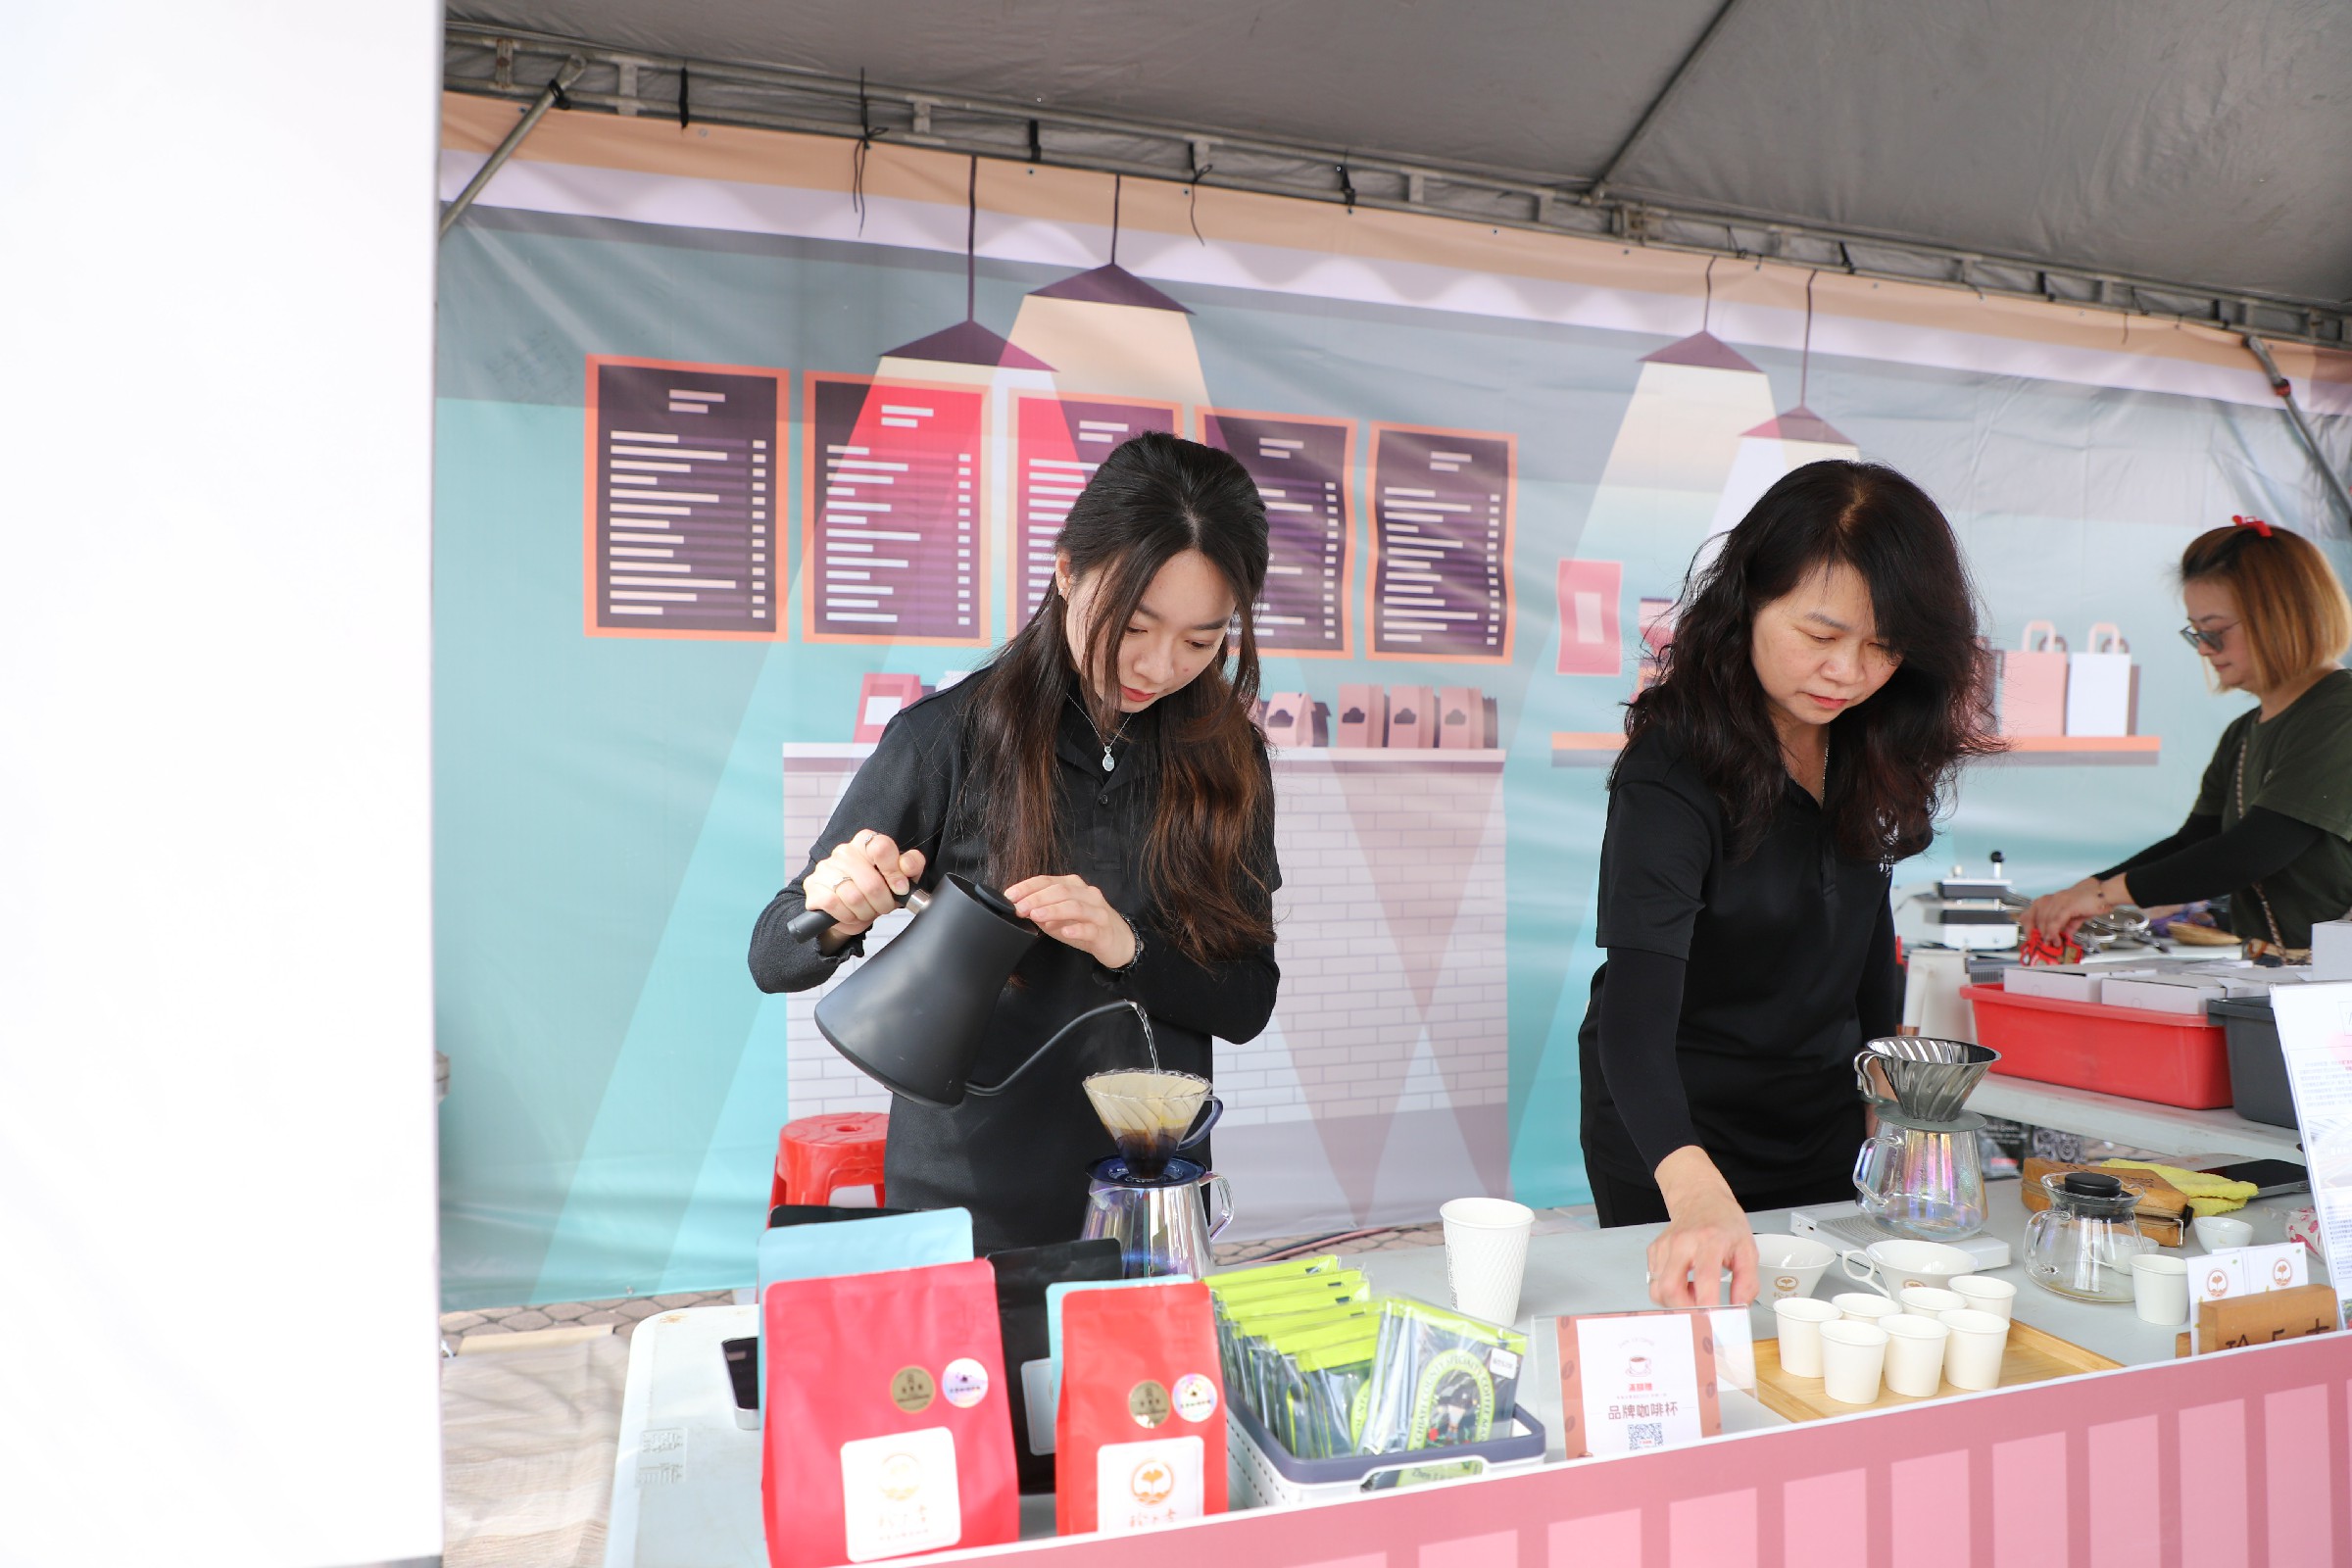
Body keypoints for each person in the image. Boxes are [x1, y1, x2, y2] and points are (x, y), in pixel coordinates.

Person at [748, 432, 1281, 1252]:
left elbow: (1247, 1003)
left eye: (1200, 642)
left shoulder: (1228, 760)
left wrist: (1128, 947)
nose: (1157, 665)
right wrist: (838, 911)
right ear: (1067, 571)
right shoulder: (948, 738)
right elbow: (773, 956)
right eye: (1133, 625)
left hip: (1150, 1199)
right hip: (968, 1200)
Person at [1579, 461, 1999, 1307]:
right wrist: (1692, 1188)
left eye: (1882, 646)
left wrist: (1884, 1097)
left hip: (1819, 1123)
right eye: (1820, 635)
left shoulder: (1865, 743)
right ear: (1749, 603)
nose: (1848, 671)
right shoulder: (1673, 769)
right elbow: (1633, 1014)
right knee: (1713, 1348)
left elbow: (1865, 942)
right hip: (1680, 1135)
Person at [2025, 516, 2352, 956]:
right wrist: (2088, 890)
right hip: (2291, 973)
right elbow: (2194, 842)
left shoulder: (2340, 712)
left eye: (2215, 631)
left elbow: (2251, 852)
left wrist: (2104, 895)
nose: (2203, 648)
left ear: (2282, 619)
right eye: (2196, 632)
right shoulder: (2243, 732)